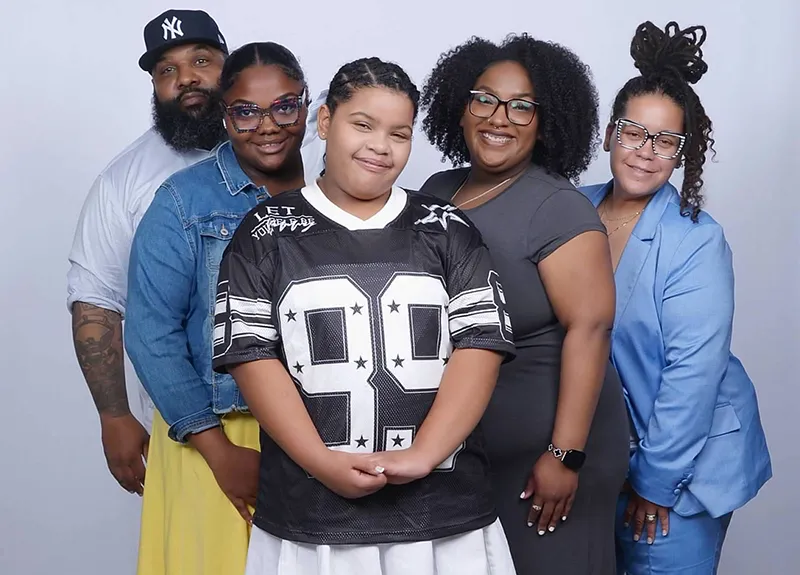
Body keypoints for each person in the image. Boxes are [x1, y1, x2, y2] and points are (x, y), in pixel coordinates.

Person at [211, 56, 518, 575]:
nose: (381, 145)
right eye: (363, 125)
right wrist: (320, 461)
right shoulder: (264, 231)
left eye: (400, 133)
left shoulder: (447, 227)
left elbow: (479, 347)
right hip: (314, 515)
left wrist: (425, 455)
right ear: (326, 121)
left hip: (442, 511)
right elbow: (252, 358)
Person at [66, 8, 326, 497]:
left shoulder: (307, 142)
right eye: (167, 70)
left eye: (201, 60)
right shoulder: (132, 182)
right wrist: (115, 415)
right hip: (206, 416)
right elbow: (99, 303)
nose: (186, 78)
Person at [418, 34, 630, 573]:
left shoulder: (558, 207)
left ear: (547, 120)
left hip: (552, 456)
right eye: (485, 98)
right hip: (469, 451)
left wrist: (565, 455)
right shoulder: (435, 190)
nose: (500, 118)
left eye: (522, 106)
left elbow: (591, 329)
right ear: (460, 107)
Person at [579, 21, 772, 574]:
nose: (646, 152)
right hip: (601, 462)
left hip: (683, 466)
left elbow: (693, 374)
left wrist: (656, 485)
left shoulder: (696, 240)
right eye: (634, 132)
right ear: (611, 133)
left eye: (666, 140)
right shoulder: (571, 210)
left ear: (684, 152)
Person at [124, 42, 324, 575]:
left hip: (319, 433)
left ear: (307, 106)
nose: (268, 125)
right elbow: (150, 332)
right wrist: (219, 452)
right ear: (223, 113)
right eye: (245, 111)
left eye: (285, 106)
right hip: (219, 431)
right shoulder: (183, 202)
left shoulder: (337, 195)